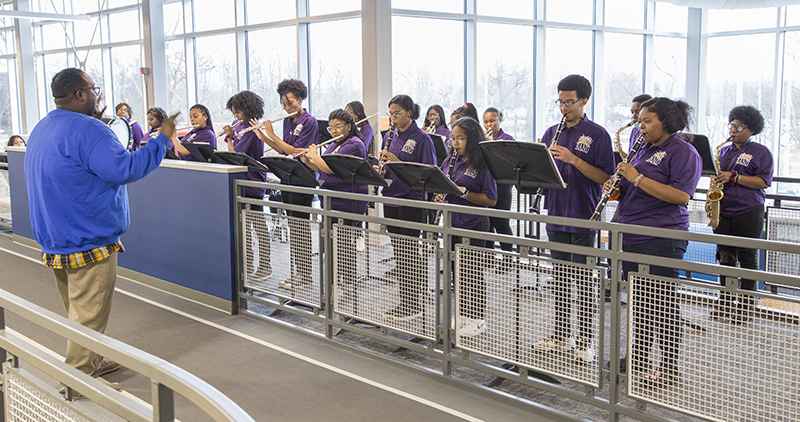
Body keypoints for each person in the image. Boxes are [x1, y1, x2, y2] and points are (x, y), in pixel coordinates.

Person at [24, 68, 176, 397]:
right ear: (80, 94)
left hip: (55, 239)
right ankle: (78, 381)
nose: (97, 94)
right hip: (89, 241)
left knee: (75, 311)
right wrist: (163, 139)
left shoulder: (43, 127)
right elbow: (127, 168)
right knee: (88, 316)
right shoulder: (91, 130)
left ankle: (91, 359)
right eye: (93, 89)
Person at [608, 97, 702, 388]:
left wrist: (636, 179)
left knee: (663, 306)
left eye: (647, 121)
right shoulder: (642, 148)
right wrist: (615, 188)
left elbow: (681, 196)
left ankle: (669, 367)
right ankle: (638, 357)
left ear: (666, 121)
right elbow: (632, 187)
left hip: (663, 236)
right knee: (640, 304)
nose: (641, 125)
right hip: (632, 233)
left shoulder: (683, 152)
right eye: (640, 121)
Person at [532, 74, 615, 364]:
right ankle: (560, 335)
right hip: (556, 214)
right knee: (561, 279)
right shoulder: (550, 132)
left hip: (583, 215)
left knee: (583, 280)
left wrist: (574, 160)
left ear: (584, 101)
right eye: (560, 101)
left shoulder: (598, 134)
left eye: (570, 102)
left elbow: (606, 177)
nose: (564, 107)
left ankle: (586, 340)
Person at [710, 105, 773, 324]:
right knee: (725, 257)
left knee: (747, 258)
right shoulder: (725, 151)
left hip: (748, 211)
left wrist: (734, 178)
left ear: (751, 129)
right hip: (724, 210)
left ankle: (746, 308)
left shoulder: (761, 152)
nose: (733, 130)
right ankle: (725, 302)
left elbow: (764, 182)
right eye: (732, 125)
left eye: (739, 126)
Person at [377, 94, 436, 321]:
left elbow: (428, 173)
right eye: (390, 113)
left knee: (409, 254)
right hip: (391, 197)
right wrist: (381, 170)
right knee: (400, 254)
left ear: (409, 113)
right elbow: (388, 166)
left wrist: (396, 162)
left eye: (397, 113)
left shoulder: (422, 138)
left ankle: (412, 304)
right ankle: (408, 299)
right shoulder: (389, 136)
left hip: (412, 200)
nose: (393, 118)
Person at [255, 79, 318, 290]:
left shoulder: (310, 121)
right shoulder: (288, 121)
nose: (287, 107)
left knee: (301, 227)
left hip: (303, 177)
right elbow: (283, 149)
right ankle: (297, 273)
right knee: (293, 227)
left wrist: (271, 134)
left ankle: (305, 276)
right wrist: (263, 136)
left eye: (290, 103)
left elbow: (297, 151)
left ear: (300, 99)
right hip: (289, 176)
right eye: (284, 104)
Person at [440, 116, 497, 337]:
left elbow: (491, 199)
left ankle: (478, 317)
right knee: (457, 272)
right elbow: (445, 185)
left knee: (473, 272)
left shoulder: (483, 163)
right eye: (453, 138)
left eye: (460, 138)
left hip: (474, 223)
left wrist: (463, 193)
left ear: (471, 139)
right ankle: (463, 312)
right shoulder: (449, 161)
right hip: (452, 223)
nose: (455, 143)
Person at [300, 109, 368, 286]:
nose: (334, 131)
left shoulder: (354, 144)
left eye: (338, 127)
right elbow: (323, 168)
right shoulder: (335, 143)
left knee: (344, 248)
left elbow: (334, 169)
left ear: (349, 126)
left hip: (348, 201)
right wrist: (309, 162)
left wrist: (315, 156)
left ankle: (349, 287)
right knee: (331, 247)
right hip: (331, 200)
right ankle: (334, 287)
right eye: (331, 128)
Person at [223, 91, 271, 281]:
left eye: (238, 112)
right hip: (244, 182)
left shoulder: (252, 128)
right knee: (245, 228)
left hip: (253, 183)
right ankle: (249, 263)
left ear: (247, 109)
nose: (236, 116)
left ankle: (266, 266)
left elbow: (235, 155)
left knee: (258, 227)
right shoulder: (243, 127)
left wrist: (229, 138)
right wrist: (234, 135)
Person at [482, 107, 516, 267]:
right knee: (487, 222)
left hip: (502, 185)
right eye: (486, 122)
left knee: (501, 222)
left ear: (500, 120)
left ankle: (508, 260)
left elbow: (511, 164)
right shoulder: (482, 139)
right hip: (486, 185)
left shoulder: (507, 139)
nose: (489, 125)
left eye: (492, 121)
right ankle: (488, 258)